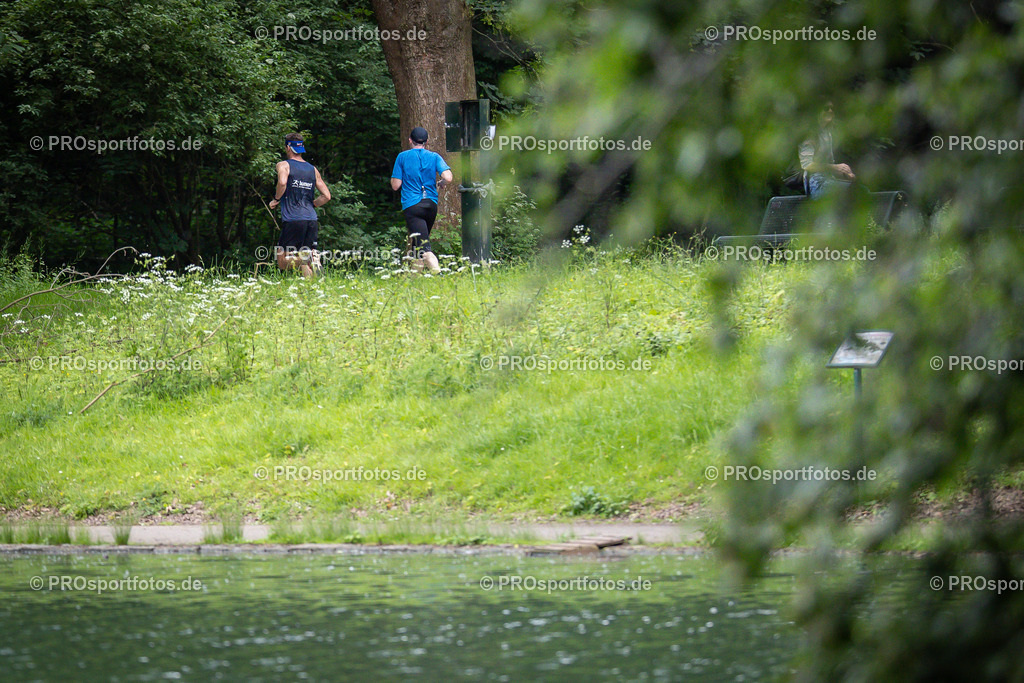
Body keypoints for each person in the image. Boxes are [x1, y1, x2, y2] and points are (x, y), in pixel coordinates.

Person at [390, 126, 453, 273]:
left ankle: (440, 277)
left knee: (424, 248)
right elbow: (448, 177)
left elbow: (395, 185)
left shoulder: (402, 157)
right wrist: (441, 183)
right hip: (431, 205)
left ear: (410, 140)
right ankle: (414, 283)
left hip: (413, 206)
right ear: (426, 142)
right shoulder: (434, 156)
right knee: (417, 245)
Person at [269, 133, 331, 277]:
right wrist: (313, 205)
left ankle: (309, 258)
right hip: (311, 219)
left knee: (283, 262)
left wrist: (276, 199)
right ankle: (310, 292)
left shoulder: (283, 165)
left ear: (288, 147)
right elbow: (327, 196)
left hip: (293, 219)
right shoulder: (313, 169)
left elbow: (282, 182)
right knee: (304, 260)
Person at [798, 101, 856, 198]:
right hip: (816, 184)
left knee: (862, 190)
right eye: (826, 108)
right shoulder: (809, 134)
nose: (830, 110)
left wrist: (846, 174)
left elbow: (830, 167)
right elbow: (807, 165)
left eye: (832, 108)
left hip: (829, 181)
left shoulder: (827, 133)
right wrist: (835, 167)